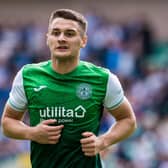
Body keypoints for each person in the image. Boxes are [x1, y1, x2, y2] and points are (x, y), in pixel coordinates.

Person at [1, 9, 136, 168]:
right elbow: (7, 122)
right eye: (55, 33)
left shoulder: (103, 79)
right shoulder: (27, 76)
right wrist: (32, 133)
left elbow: (128, 120)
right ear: (47, 38)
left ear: (83, 40)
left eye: (70, 34)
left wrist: (102, 141)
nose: (61, 38)